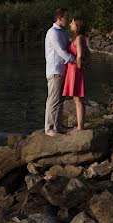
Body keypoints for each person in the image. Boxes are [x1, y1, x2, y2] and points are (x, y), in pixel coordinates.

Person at [44, 8, 75, 136]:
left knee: (60, 100)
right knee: (53, 100)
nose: (68, 21)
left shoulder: (62, 32)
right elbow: (61, 51)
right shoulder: (52, 33)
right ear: (59, 18)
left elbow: (68, 46)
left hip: (62, 70)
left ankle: (58, 126)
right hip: (54, 70)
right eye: (66, 18)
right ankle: (49, 128)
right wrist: (74, 60)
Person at [63, 17, 89, 132]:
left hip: (74, 71)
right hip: (73, 70)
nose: (70, 24)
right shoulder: (79, 37)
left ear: (77, 25)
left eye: (72, 23)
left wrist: (79, 67)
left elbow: (79, 55)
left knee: (77, 99)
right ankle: (80, 125)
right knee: (77, 99)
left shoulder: (79, 38)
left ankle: (80, 127)